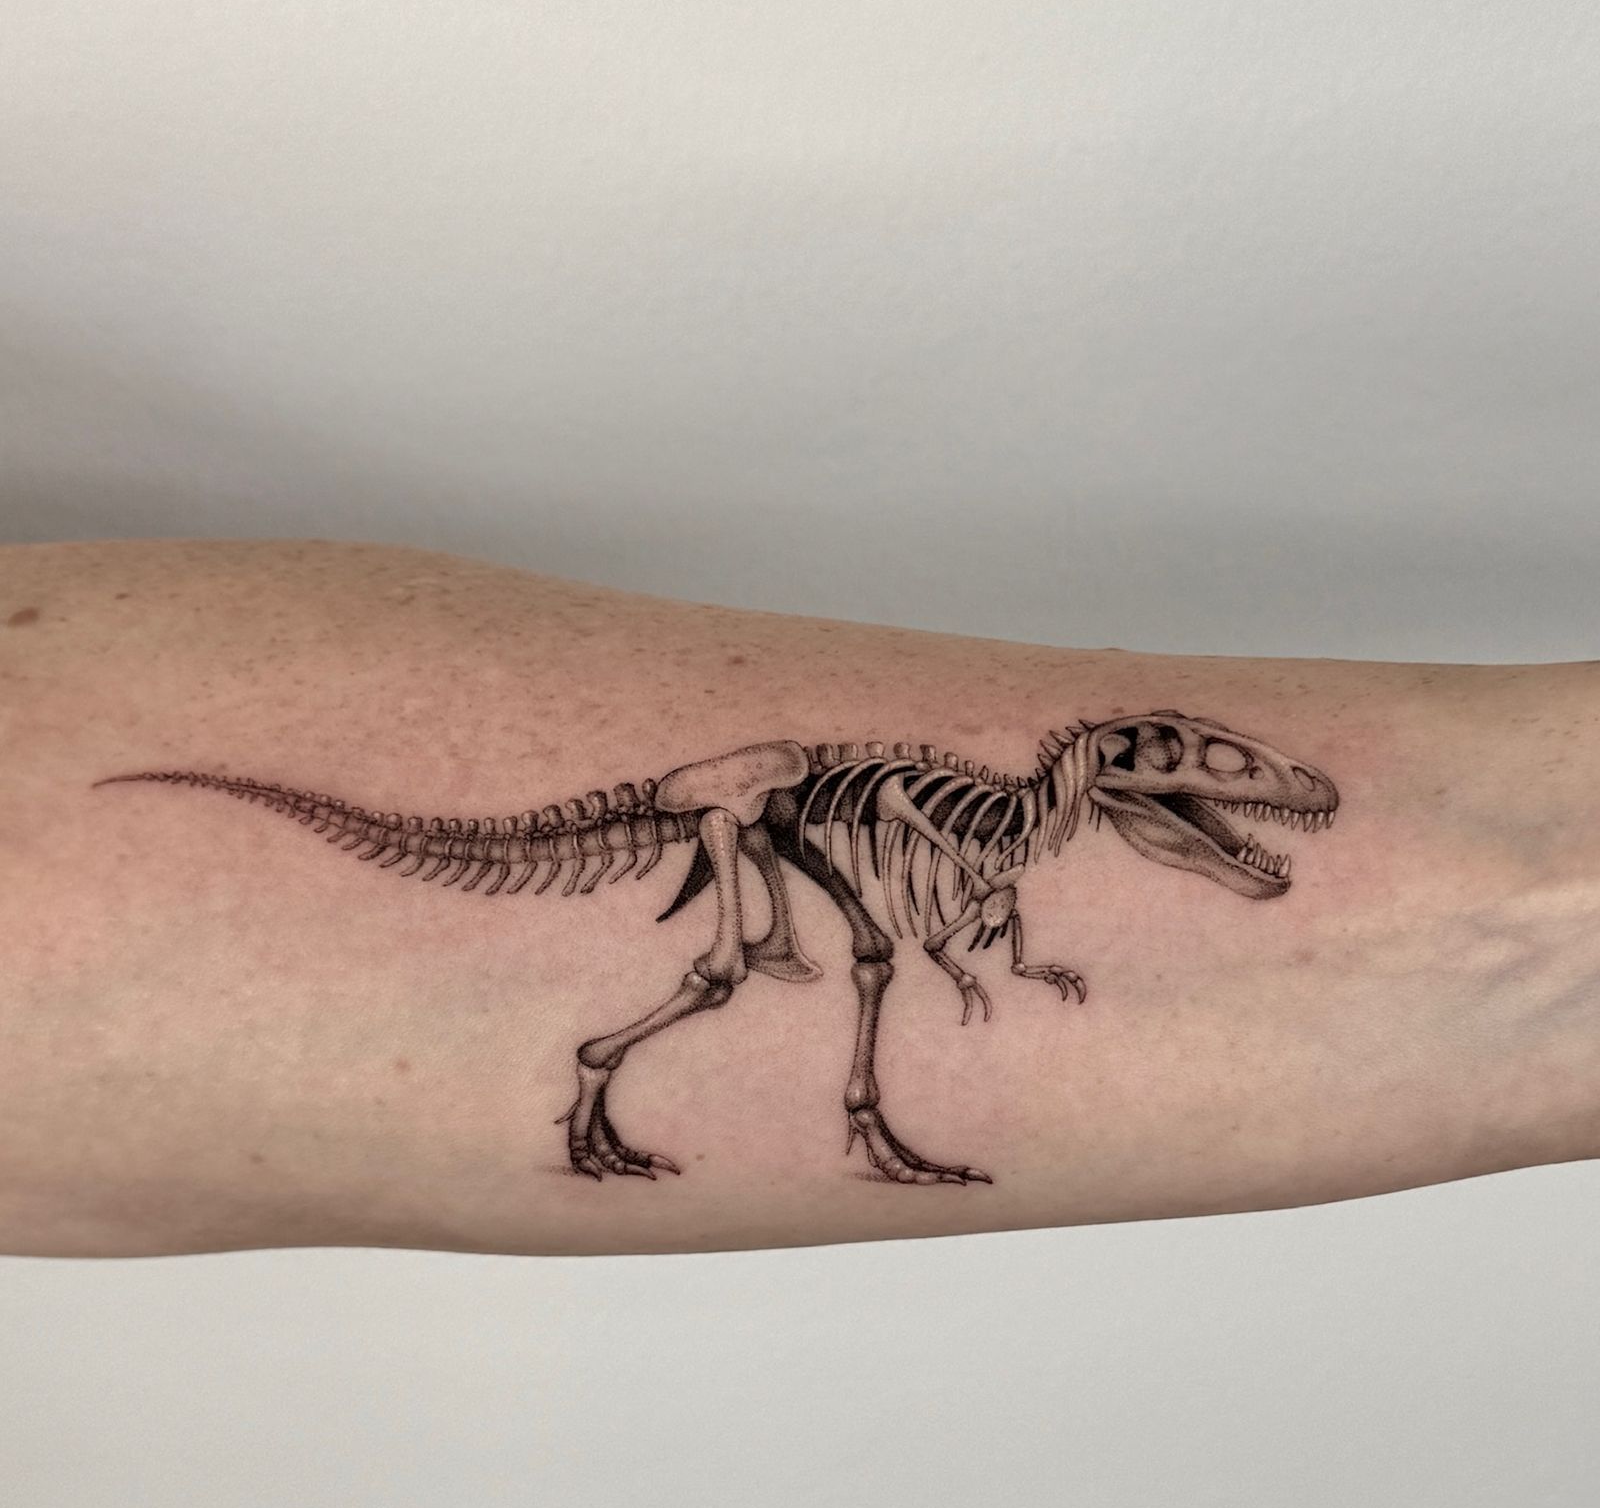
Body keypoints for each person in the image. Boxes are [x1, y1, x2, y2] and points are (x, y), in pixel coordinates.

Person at [2, 536, 1595, 1257]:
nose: (1225, 793)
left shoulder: (1018, 825)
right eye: (1178, 761)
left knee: (882, 955)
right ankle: (647, 1074)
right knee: (812, 961)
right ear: (1114, 764)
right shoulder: (999, 810)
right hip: (760, 808)